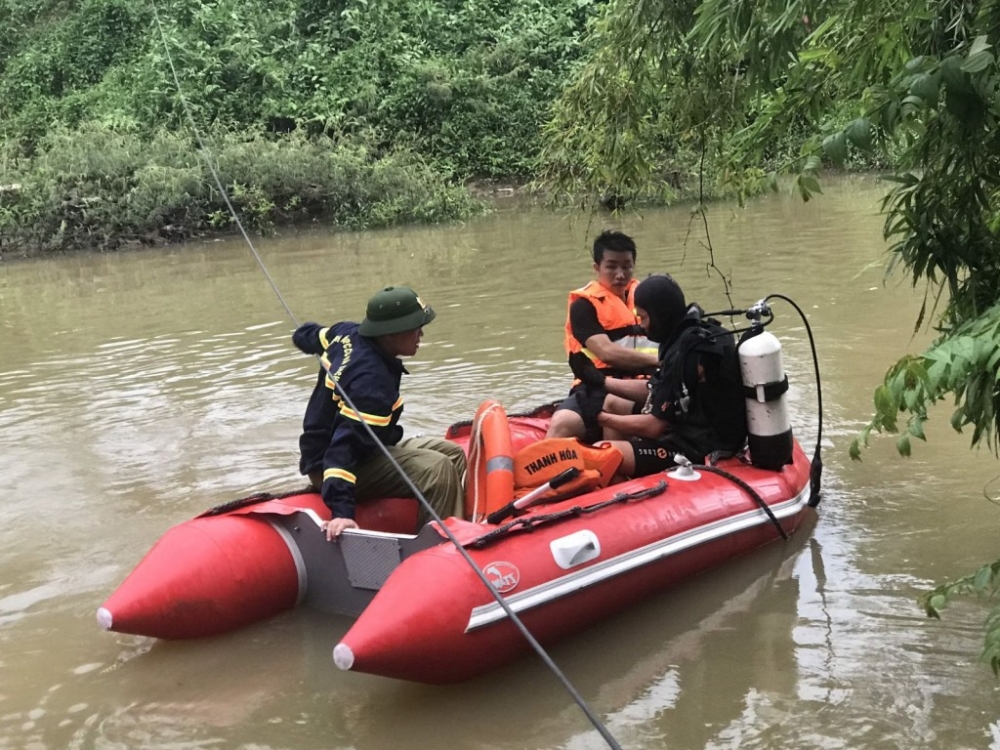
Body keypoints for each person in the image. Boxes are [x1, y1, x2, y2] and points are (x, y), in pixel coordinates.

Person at [294, 285, 467, 540]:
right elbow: (341, 450)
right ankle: (438, 547)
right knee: (438, 468)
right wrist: (341, 510)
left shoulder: (345, 333)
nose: (421, 334)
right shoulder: (371, 385)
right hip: (333, 464)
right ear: (390, 333)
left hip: (370, 448)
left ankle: (462, 522)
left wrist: (301, 336)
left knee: (453, 454)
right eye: (415, 327)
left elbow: (309, 335)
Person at [595, 274, 748, 477]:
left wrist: (601, 418)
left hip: (697, 448)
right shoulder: (699, 334)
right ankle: (630, 476)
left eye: (644, 317)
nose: (641, 325)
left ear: (659, 316)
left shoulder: (684, 354)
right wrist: (600, 382)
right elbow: (658, 389)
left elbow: (654, 427)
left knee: (600, 451)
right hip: (703, 426)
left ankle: (624, 492)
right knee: (614, 402)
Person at [546, 230, 659, 442]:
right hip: (595, 385)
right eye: (611, 266)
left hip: (644, 385)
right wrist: (661, 361)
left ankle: (620, 463)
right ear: (597, 268)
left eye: (626, 266)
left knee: (618, 404)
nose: (620, 274)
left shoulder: (650, 298)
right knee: (562, 423)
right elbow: (606, 352)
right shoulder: (584, 305)